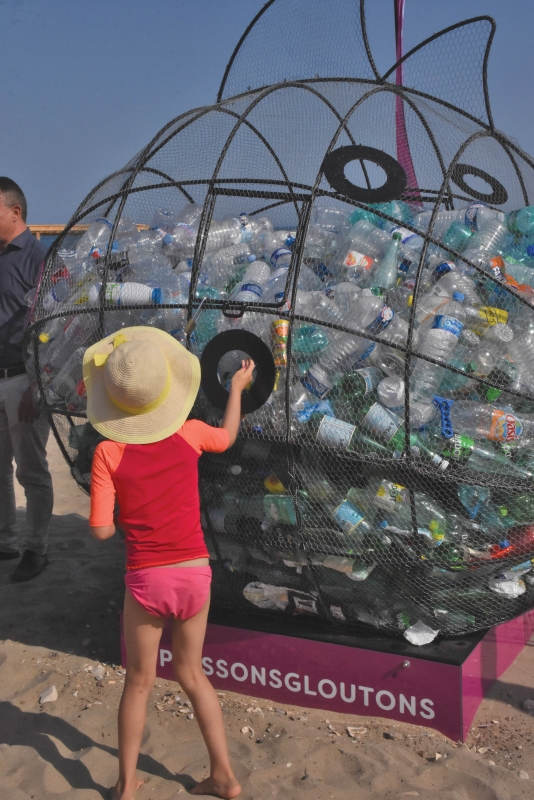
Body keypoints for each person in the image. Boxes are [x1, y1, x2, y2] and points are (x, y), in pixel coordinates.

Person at [86, 325, 250, 800]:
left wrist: (120, 515)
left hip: (146, 580)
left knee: (138, 683)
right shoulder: (191, 433)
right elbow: (229, 434)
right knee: (192, 675)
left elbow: (100, 531)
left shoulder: (108, 451)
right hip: (195, 574)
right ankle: (224, 776)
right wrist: (236, 389)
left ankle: (127, 786)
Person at [0, 176, 53, 582]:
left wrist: (38, 384)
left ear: (14, 212)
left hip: (24, 380)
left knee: (30, 471)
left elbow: (55, 328)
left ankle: (36, 549)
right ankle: (6, 540)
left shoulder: (40, 259)